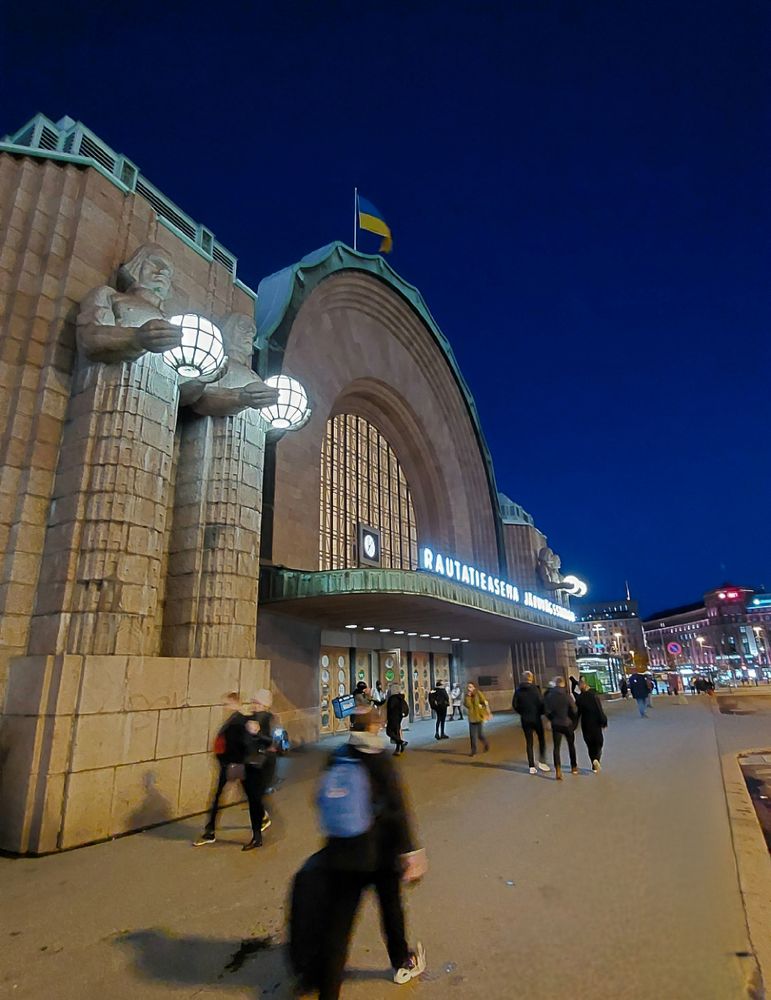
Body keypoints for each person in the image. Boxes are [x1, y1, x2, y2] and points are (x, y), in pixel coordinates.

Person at [316, 708, 427, 997]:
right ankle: (402, 963)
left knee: (339, 924)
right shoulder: (381, 760)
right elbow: (397, 810)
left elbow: (320, 800)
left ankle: (328, 988)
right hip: (381, 855)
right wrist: (411, 852)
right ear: (376, 726)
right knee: (391, 911)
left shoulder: (337, 755)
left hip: (342, 852)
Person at [241, 689, 277, 850]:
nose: (254, 706)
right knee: (253, 801)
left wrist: (257, 733)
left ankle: (257, 837)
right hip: (250, 763)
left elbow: (271, 741)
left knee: (256, 799)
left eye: (257, 703)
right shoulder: (250, 718)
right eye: (253, 702)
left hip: (264, 765)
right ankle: (257, 835)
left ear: (265, 704)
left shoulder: (269, 719)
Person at [512, 671, 550, 774]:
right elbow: (541, 703)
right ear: (531, 678)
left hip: (525, 719)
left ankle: (531, 766)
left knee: (529, 742)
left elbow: (514, 705)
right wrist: (542, 713)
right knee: (541, 739)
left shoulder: (518, 690)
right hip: (536, 718)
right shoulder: (536, 690)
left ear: (522, 679)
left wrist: (522, 712)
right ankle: (542, 760)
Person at [543, 675, 578, 779]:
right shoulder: (567, 696)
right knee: (571, 745)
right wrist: (571, 719)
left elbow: (546, 710)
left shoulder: (550, 696)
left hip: (556, 724)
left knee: (556, 747)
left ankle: (558, 770)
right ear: (563, 684)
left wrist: (551, 718)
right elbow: (574, 710)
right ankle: (574, 767)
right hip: (567, 724)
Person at [575, 678, 608, 772]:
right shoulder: (594, 696)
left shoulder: (579, 699)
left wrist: (574, 725)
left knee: (590, 745)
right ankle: (596, 759)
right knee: (599, 742)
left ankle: (593, 762)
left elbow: (577, 713)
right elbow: (599, 709)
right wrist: (604, 721)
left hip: (586, 724)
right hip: (596, 723)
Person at [463, 682, 491, 756]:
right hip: (472, 718)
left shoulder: (478, 693)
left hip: (479, 716)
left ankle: (486, 744)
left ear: (474, 687)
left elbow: (484, 702)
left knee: (480, 734)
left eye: (471, 687)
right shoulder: (466, 696)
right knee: (472, 736)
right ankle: (473, 751)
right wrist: (468, 697)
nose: (469, 688)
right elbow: (467, 705)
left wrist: (487, 712)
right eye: (468, 687)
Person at [386, 683, 409, 755]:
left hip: (392, 717)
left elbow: (390, 709)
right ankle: (399, 748)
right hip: (399, 717)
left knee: (389, 732)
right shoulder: (401, 697)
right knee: (397, 732)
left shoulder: (392, 698)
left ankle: (401, 743)